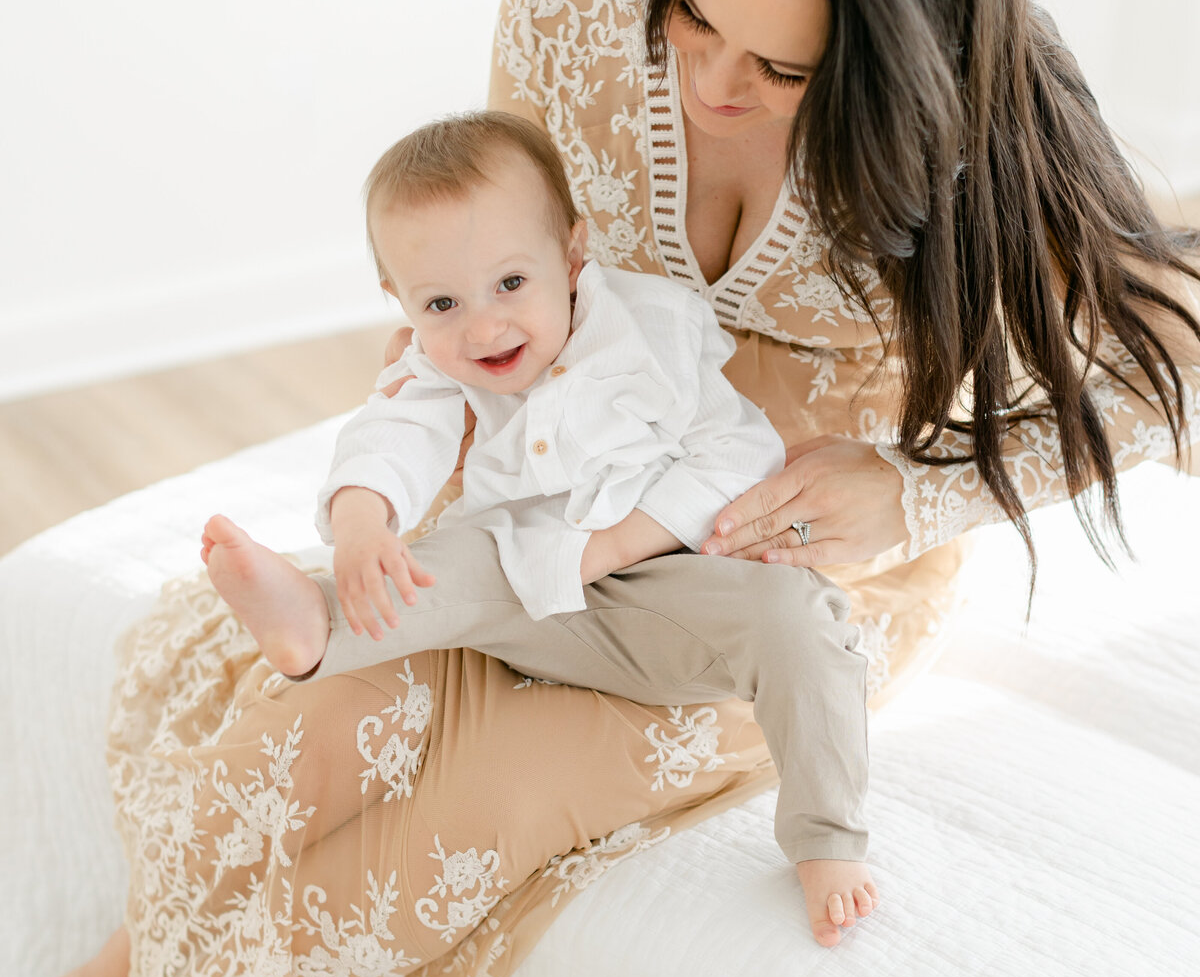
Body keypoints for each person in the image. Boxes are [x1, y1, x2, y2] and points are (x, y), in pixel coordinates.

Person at [2, 0, 1197, 977]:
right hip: (538, 492)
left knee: (485, 789)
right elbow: (489, 267)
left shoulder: (982, 112)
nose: (714, 85)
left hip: (768, 559)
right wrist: (405, 460)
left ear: (887, 58)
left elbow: (1159, 374)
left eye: (778, 72)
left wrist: (904, 489)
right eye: (696, 25)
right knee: (319, 715)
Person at [202, 108, 875, 911]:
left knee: (800, 616)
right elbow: (395, 432)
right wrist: (361, 520)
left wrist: (609, 547)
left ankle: (826, 837)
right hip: (526, 602)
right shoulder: (434, 362)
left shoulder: (650, 329)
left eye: (511, 285)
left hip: (675, 594)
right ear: (398, 298)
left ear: (573, 253)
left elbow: (735, 455)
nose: (483, 326)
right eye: (441, 304)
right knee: (445, 562)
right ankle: (312, 622)